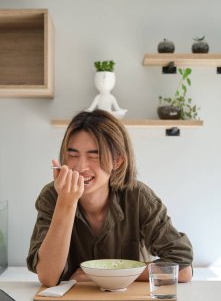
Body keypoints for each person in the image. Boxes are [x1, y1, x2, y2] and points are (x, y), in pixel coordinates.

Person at [27, 109, 193, 287]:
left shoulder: (138, 196)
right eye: (73, 155)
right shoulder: (52, 196)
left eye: (94, 155)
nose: (81, 167)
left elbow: (183, 270)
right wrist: (66, 203)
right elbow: (48, 277)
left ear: (117, 161)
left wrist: (103, 274)